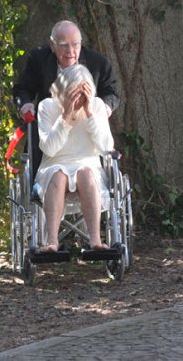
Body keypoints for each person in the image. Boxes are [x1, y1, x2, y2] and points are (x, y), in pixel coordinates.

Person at [12, 20, 119, 174]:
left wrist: (103, 109)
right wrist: (25, 105)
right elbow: (22, 89)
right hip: (51, 133)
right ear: (52, 44)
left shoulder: (98, 63)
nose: (70, 51)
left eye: (75, 44)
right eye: (63, 45)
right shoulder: (38, 59)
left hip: (85, 138)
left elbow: (111, 92)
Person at [34, 64, 114, 253]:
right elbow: (49, 148)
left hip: (88, 165)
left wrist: (89, 114)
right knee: (59, 174)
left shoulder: (97, 106)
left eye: (82, 93)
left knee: (85, 173)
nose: (78, 99)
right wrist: (65, 117)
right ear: (63, 91)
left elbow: (106, 147)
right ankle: (52, 242)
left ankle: (95, 239)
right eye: (73, 93)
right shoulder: (47, 106)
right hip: (53, 165)